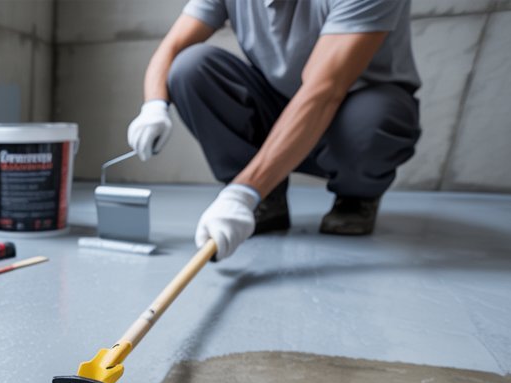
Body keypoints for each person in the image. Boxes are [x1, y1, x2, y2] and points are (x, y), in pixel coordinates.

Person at [127, 0, 421, 260]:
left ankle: (355, 197)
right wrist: (154, 105)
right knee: (191, 67)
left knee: (372, 121)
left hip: (351, 116)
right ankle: (267, 200)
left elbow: (323, 90)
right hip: (281, 107)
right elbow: (174, 46)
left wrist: (242, 192)